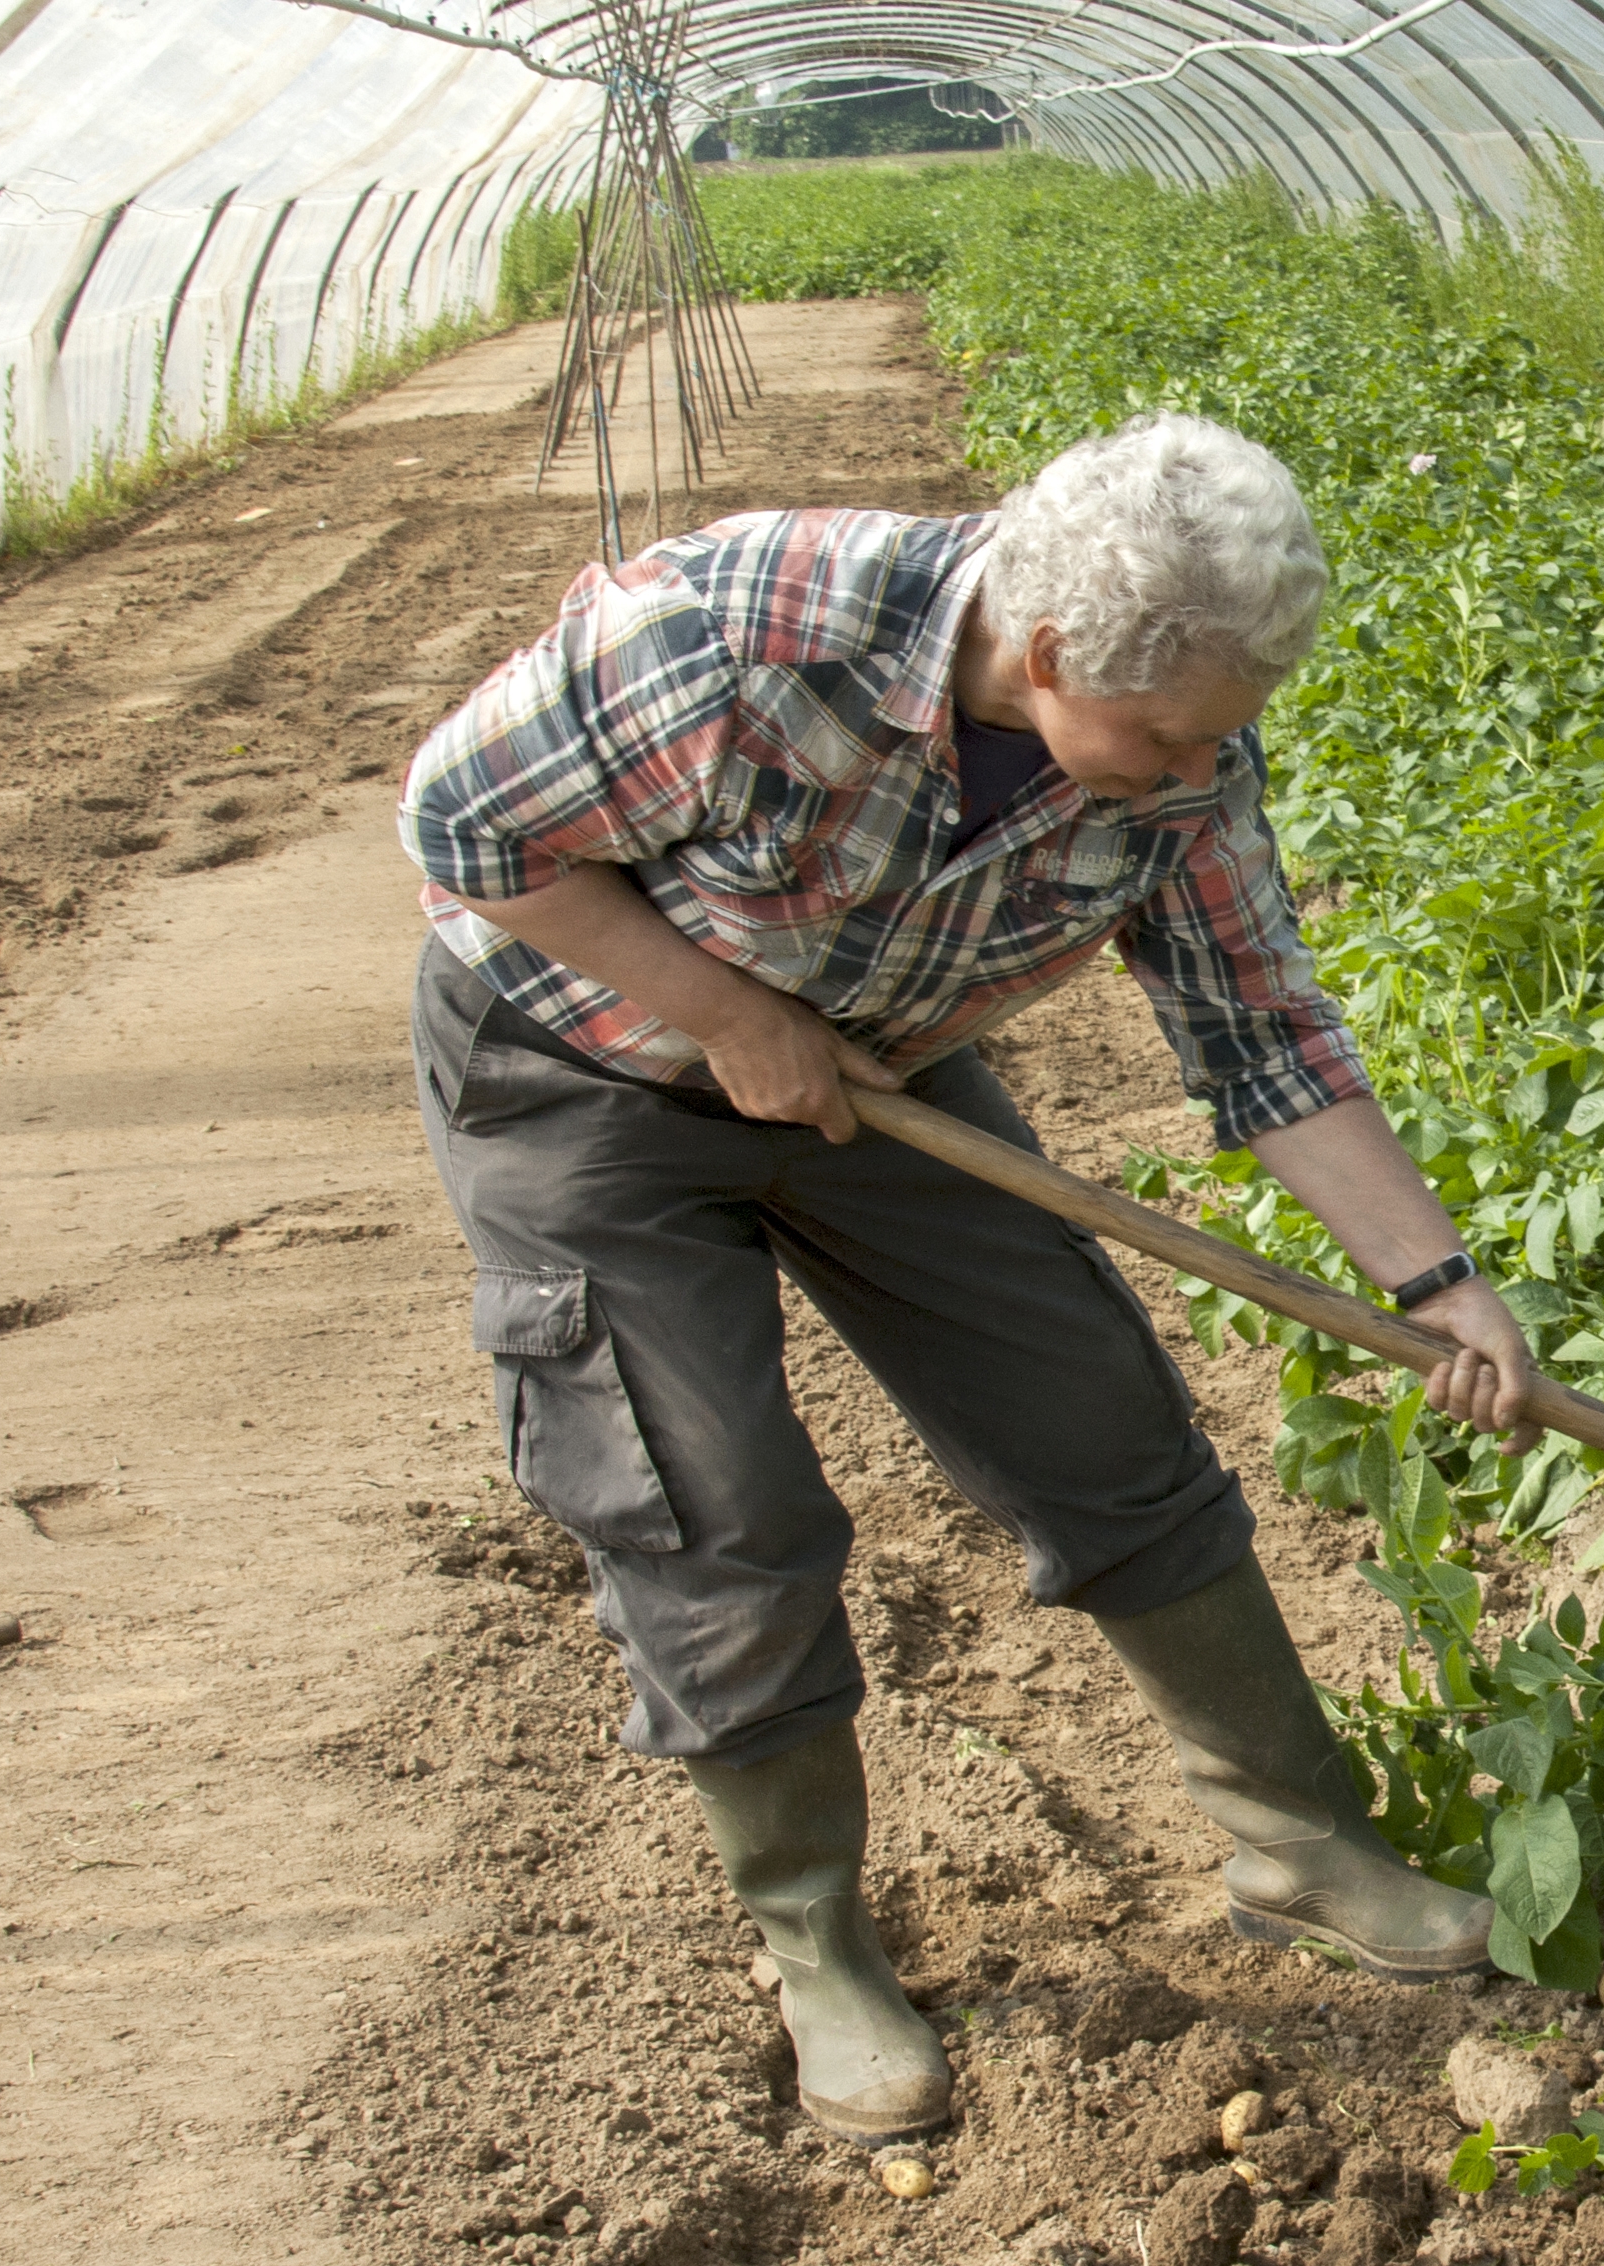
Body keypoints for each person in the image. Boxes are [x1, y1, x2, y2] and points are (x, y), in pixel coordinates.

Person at [398, 411, 1531, 2144]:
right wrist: (724, 1013)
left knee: (1097, 1419)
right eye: (1151, 741)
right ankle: (816, 1946)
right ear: (1052, 645)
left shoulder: (1188, 758)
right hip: (585, 1076)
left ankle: (1302, 1847)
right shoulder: (736, 635)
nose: (1179, 775)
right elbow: (465, 826)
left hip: (884, 1078)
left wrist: (1433, 1277)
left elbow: (1258, 1024)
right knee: (717, 1510)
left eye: (1211, 743)